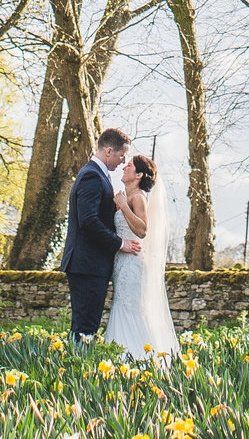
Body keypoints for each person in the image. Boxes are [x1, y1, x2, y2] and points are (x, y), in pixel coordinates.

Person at [59, 127, 139, 341]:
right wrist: (120, 243)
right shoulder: (92, 176)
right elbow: (89, 221)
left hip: (90, 264)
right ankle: (79, 370)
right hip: (87, 264)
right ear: (109, 151)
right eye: (122, 156)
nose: (123, 162)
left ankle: (79, 367)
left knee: (86, 325)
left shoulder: (96, 174)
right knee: (85, 326)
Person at [104, 151, 178, 362]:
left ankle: (140, 359)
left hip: (133, 263)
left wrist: (124, 206)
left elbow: (143, 230)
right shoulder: (127, 196)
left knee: (131, 309)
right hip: (121, 262)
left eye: (129, 166)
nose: (124, 167)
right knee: (121, 306)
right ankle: (121, 358)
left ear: (138, 175)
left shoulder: (138, 198)